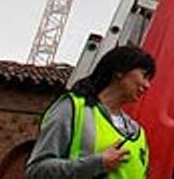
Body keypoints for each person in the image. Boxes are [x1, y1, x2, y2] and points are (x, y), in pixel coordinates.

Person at [27, 45, 156, 178]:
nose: (147, 85)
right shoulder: (73, 108)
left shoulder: (138, 134)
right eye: (144, 76)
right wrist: (96, 164)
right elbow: (36, 171)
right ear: (120, 71)